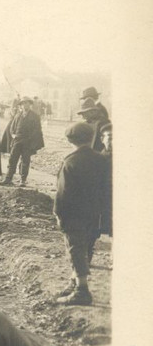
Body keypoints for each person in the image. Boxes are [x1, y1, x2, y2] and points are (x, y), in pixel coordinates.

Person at [54, 122, 111, 306]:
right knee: (87, 247)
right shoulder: (102, 159)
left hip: (74, 214)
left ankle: (82, 290)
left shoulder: (70, 162)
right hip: (94, 213)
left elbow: (63, 193)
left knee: (75, 249)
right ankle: (74, 281)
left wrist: (58, 213)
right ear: (91, 138)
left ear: (71, 140)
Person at [1, 97, 45, 186]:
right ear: (21, 105)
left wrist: (30, 139)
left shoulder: (35, 116)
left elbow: (37, 130)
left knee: (25, 161)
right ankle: (8, 178)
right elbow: (12, 127)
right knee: (12, 159)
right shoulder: (18, 115)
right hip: (17, 141)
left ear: (30, 104)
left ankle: (23, 180)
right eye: (23, 103)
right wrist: (13, 135)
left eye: (27, 103)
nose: (25, 105)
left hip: (27, 142)